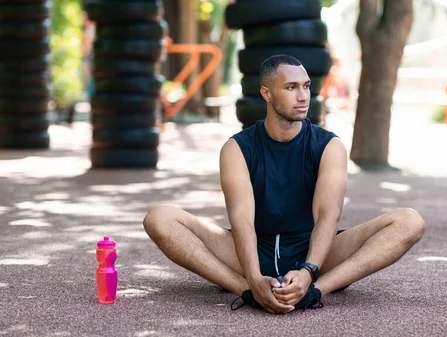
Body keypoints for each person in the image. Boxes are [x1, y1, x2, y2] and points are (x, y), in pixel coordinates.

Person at [142, 55, 425, 314]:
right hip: (251, 249)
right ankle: (246, 290)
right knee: (159, 218)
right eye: (291, 88)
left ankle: (313, 292)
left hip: (315, 250)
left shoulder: (329, 146)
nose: (303, 96)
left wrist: (309, 271)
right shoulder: (237, 148)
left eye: (306, 86)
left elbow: (328, 215)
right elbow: (241, 220)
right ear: (266, 93)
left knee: (409, 222)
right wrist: (252, 276)